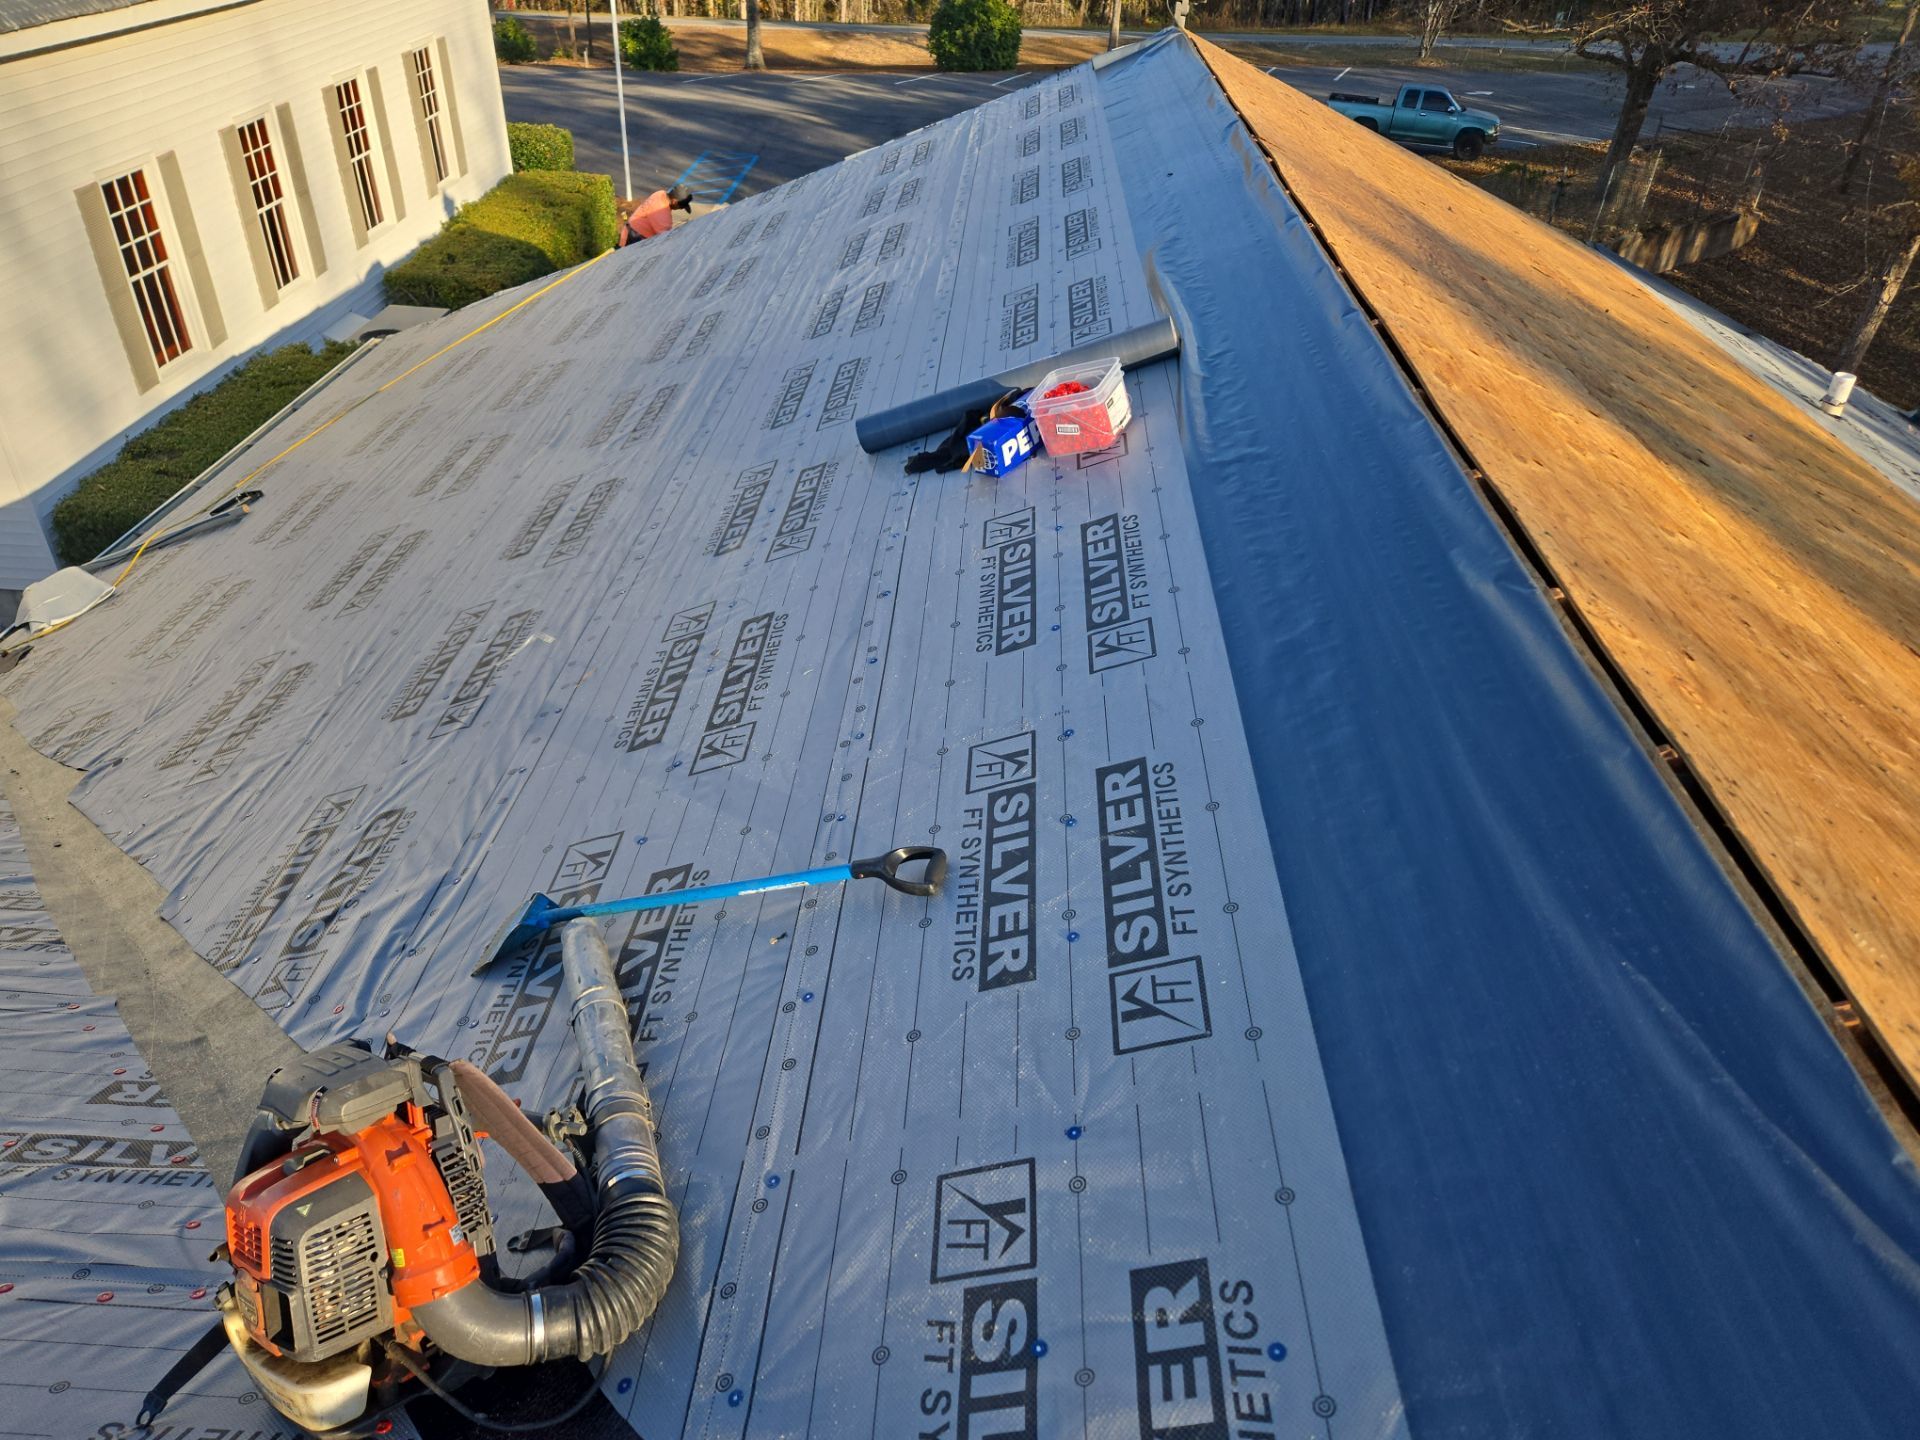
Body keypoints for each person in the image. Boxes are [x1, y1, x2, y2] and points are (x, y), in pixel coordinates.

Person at [618, 184, 693, 246]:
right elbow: (665, 239)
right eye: (681, 207)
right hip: (636, 238)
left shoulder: (660, 193)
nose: (681, 209)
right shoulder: (662, 214)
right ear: (674, 202)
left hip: (631, 227)